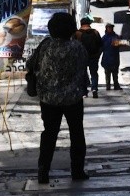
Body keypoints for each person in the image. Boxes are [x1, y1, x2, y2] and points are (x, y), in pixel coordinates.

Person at [26, 12, 91, 184]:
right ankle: (77, 171)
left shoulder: (45, 46)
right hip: (73, 98)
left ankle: (43, 171)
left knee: (49, 134)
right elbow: (85, 65)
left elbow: (30, 64)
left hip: (48, 99)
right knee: (76, 133)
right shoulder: (77, 47)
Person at [75, 17, 102, 98]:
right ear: (89, 24)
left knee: (82, 73)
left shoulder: (77, 33)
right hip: (94, 56)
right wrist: (98, 55)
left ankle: (84, 92)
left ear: (81, 23)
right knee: (94, 73)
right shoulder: (95, 32)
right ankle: (94, 89)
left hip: (82, 57)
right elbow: (100, 45)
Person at [101, 23, 121, 90]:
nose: (110, 29)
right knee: (107, 74)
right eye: (108, 28)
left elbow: (119, 44)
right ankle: (108, 86)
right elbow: (101, 48)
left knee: (115, 73)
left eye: (111, 28)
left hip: (114, 58)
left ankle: (116, 85)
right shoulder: (104, 38)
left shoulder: (116, 37)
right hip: (107, 58)